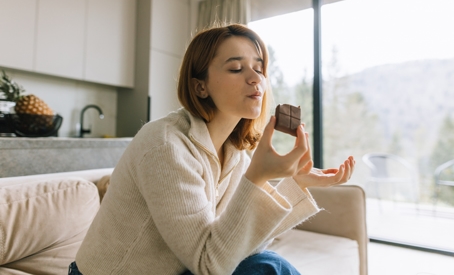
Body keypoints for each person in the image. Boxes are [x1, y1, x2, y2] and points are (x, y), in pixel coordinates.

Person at [69, 23, 355, 275]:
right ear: (200, 87)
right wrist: (256, 178)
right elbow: (209, 266)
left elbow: (240, 247)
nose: (256, 78)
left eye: (259, 67)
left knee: (264, 263)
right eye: (236, 68)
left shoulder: (234, 154)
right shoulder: (165, 145)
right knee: (269, 267)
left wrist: (295, 184)